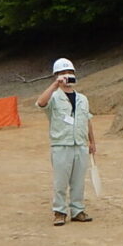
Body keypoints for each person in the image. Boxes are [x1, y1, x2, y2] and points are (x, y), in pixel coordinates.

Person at [35, 58, 96, 226]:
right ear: (56, 76)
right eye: (62, 74)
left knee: (78, 181)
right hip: (61, 145)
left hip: (80, 145)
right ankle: (59, 211)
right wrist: (55, 85)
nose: (67, 76)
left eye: (70, 73)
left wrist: (92, 142)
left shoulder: (83, 99)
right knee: (61, 181)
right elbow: (40, 103)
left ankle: (78, 210)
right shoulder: (53, 97)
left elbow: (87, 120)